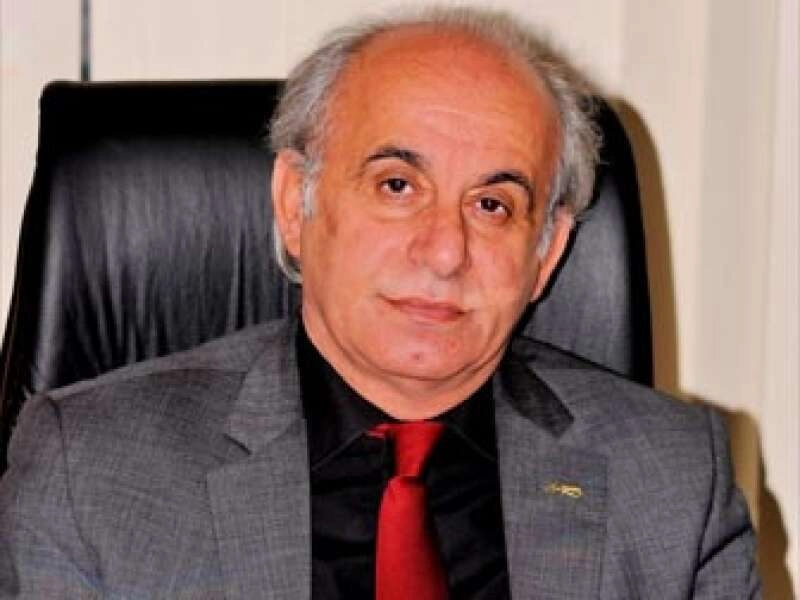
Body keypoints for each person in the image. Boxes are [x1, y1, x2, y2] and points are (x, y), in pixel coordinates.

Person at [0, 7, 759, 599]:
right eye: (397, 186)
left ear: (547, 252)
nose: (445, 250)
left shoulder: (672, 478)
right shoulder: (90, 472)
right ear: (295, 205)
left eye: (492, 205)